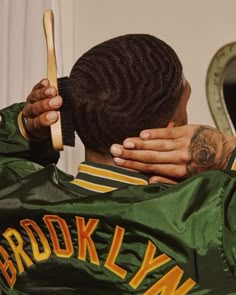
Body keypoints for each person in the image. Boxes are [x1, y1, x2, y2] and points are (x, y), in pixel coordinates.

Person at [0, 34, 236, 294]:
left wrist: (24, 128)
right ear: (174, 130)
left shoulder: (16, 197)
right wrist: (225, 149)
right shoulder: (209, 224)